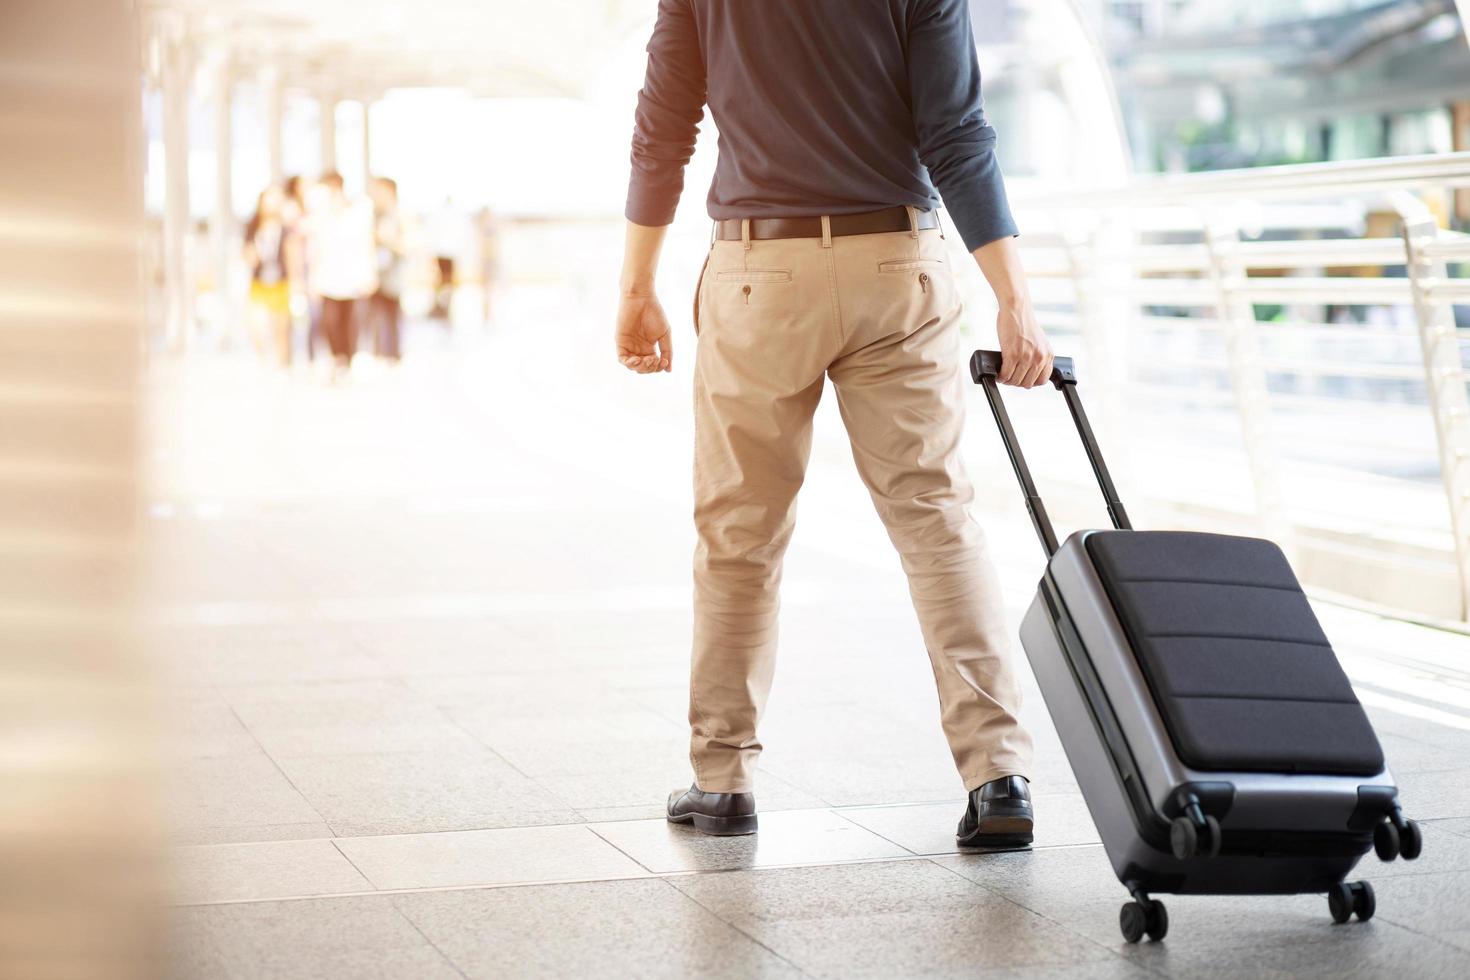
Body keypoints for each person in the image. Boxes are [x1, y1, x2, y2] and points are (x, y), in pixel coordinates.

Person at [616, 0, 1053, 845]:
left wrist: (637, 288)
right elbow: (957, 134)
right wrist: (1014, 297)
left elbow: (661, 130)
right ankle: (999, 778)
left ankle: (724, 779)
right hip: (899, 263)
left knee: (741, 532)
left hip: (758, 272)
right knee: (937, 520)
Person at [307, 172, 377, 376]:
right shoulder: (321, 214)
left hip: (352, 276)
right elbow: (315, 248)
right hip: (327, 276)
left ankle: (346, 358)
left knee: (349, 320)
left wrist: (369, 272)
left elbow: (366, 244)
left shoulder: (358, 211)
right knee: (330, 320)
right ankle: (337, 356)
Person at [242, 184, 296, 367]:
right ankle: (263, 361)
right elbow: (247, 255)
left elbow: (291, 256)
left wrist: (296, 283)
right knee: (256, 326)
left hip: (281, 284)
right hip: (259, 284)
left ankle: (283, 366)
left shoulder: (286, 228)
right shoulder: (252, 227)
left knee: (282, 329)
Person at [367, 176, 406, 361]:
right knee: (376, 316)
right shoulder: (373, 215)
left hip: (394, 276)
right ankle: (379, 353)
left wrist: (387, 239)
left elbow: (408, 245)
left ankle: (393, 354)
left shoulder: (400, 215)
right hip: (375, 275)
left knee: (392, 316)